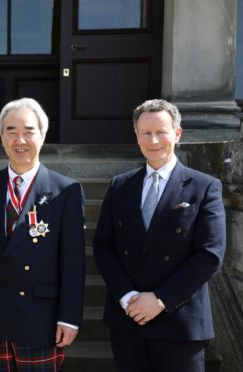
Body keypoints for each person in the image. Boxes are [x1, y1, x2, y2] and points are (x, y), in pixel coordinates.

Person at [93, 99, 226, 372]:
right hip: (129, 318)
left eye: (161, 132)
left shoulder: (204, 187)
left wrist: (160, 299)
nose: (153, 140)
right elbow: (103, 245)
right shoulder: (121, 185)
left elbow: (210, 254)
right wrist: (128, 296)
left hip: (179, 320)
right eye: (146, 133)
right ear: (136, 136)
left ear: (177, 134)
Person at [0, 98, 86, 371]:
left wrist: (69, 317)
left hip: (40, 318)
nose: (20, 140)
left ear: (42, 136)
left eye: (29, 131)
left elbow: (73, 262)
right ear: (1, 137)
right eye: (11, 131)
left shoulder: (65, 191)